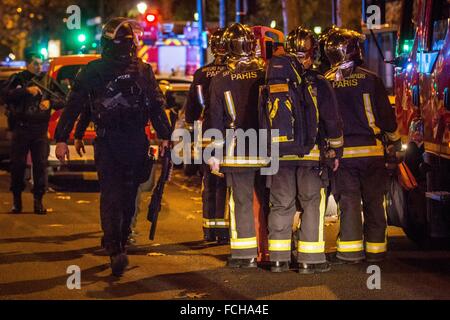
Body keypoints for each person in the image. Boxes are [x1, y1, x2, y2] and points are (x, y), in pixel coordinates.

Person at [54, 18, 172, 277]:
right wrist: (165, 136)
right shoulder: (135, 70)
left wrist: (61, 138)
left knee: (115, 194)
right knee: (125, 194)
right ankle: (116, 242)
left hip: (113, 142)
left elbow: (73, 105)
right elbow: (156, 105)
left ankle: (115, 243)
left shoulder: (99, 70)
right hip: (128, 142)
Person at [265, 27, 344, 273]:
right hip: (311, 158)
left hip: (279, 156)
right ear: (313, 53)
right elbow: (331, 120)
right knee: (312, 204)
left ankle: (278, 259)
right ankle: (310, 260)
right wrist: (335, 151)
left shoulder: (271, 80)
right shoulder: (318, 82)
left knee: (281, 205)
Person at [324, 28, 401, 263]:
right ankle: (376, 251)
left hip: (343, 155)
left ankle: (350, 252)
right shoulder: (371, 79)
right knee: (374, 201)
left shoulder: (325, 82)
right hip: (372, 153)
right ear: (354, 50)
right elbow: (386, 118)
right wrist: (395, 142)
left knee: (348, 202)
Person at [208, 23, 267, 268]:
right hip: (267, 148)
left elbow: (215, 119)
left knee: (240, 201)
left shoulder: (221, 78)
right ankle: (274, 252)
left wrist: (213, 154)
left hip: (236, 151)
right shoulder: (266, 71)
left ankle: (245, 256)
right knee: (269, 200)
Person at [1, 52, 64, 214]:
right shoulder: (18, 79)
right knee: (17, 165)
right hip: (21, 128)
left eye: (40, 63)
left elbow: (64, 98)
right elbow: (5, 96)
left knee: (40, 165)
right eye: (35, 63)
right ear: (28, 64)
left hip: (40, 129)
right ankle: (17, 200)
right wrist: (26, 91)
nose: (38, 67)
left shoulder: (47, 81)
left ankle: (38, 201)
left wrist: (50, 102)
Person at [185, 29, 229, 244]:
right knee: (227, 183)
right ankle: (225, 231)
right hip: (230, 136)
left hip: (206, 137)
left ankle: (209, 230)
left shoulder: (202, 73)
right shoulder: (232, 72)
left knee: (209, 183)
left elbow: (192, 110)